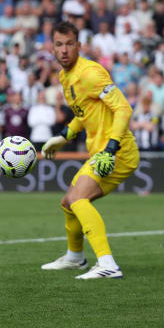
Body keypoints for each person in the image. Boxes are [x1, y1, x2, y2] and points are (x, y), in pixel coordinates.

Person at [41, 21, 140, 279]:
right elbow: (83, 113)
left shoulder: (91, 73)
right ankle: (75, 258)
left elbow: (123, 109)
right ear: (52, 47)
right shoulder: (65, 77)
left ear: (79, 46)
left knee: (77, 199)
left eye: (69, 44)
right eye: (59, 44)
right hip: (101, 151)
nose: (64, 50)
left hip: (118, 151)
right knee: (68, 203)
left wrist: (111, 147)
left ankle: (107, 264)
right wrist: (64, 136)